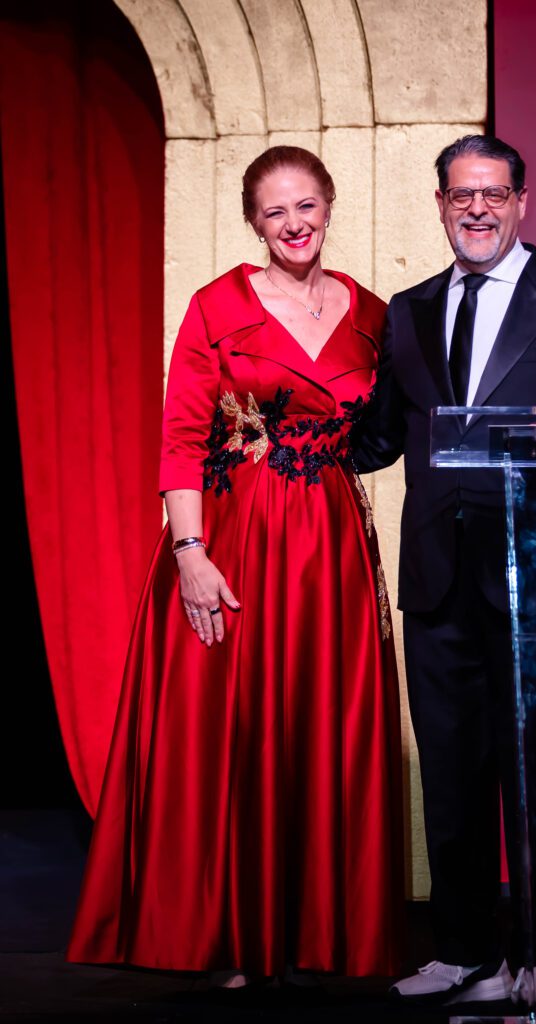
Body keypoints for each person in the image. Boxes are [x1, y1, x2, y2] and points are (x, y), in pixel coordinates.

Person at [67, 146, 404, 982]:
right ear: (255, 222)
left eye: (307, 207)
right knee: (237, 729)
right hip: (237, 537)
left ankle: (319, 932)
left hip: (330, 547)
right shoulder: (217, 305)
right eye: (275, 212)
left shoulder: (372, 314)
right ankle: (225, 934)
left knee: (319, 724)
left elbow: (382, 435)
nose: (294, 224)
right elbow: (182, 440)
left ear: (329, 206)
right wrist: (189, 554)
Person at [354, 135, 536, 1005]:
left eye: (492, 194)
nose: (475, 209)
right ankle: (462, 950)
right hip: (438, 576)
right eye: (459, 195)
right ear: (439, 204)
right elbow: (372, 437)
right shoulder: (405, 311)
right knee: (448, 771)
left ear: (522, 201)